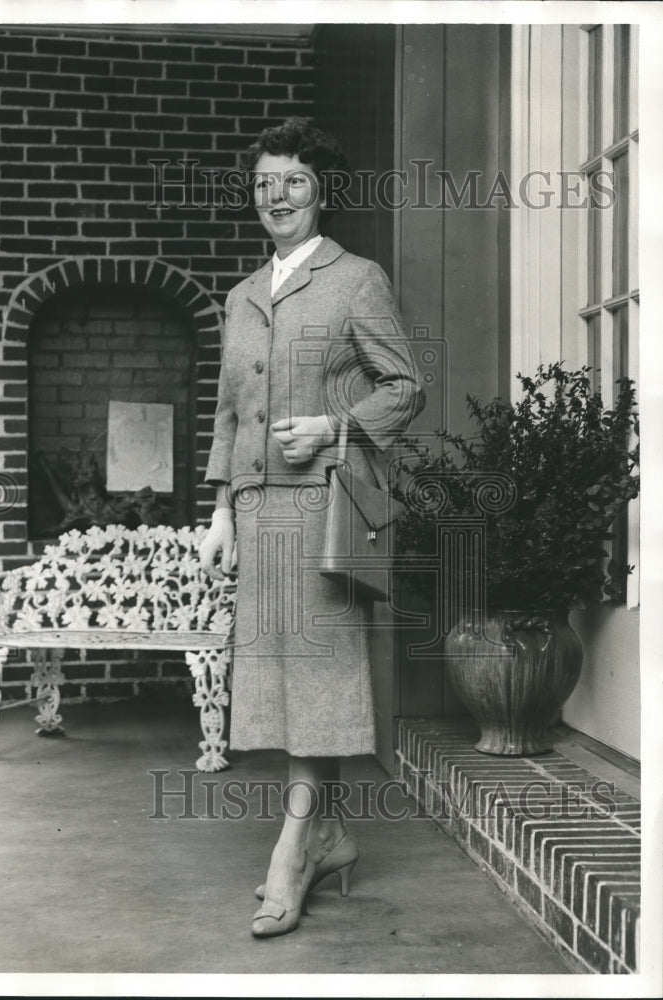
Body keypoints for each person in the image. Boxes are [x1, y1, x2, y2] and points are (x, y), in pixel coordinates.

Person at [199, 118, 424, 939]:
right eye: (263, 184)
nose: (276, 197)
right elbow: (227, 413)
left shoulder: (356, 278)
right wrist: (219, 510)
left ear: (321, 190)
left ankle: (292, 851)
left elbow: (405, 387)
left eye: (292, 181)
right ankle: (327, 833)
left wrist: (333, 428)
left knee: (318, 689)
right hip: (257, 520)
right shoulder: (240, 295)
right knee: (284, 693)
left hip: (320, 514)